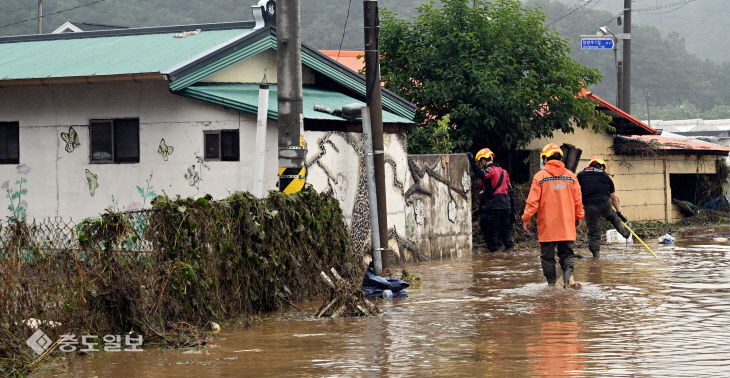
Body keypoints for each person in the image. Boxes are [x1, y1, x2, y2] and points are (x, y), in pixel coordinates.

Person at [521, 143, 584, 287]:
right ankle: (567, 280)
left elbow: (532, 202)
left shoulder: (540, 176)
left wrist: (526, 218)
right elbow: (578, 201)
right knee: (567, 255)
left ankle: (552, 286)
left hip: (547, 226)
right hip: (566, 225)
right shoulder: (571, 176)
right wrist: (578, 216)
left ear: (545, 158)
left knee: (547, 258)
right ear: (560, 158)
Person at [576, 156, 631, 258]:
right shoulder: (605, 176)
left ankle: (596, 256)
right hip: (605, 203)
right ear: (601, 166)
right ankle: (625, 234)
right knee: (613, 217)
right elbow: (613, 197)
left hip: (589, 206)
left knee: (594, 232)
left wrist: (576, 213)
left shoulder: (581, 175)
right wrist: (619, 213)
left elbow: (575, 193)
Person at [466, 148, 515, 252]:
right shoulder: (504, 172)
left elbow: (480, 174)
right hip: (506, 206)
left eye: (479, 162)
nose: (479, 165)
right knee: (506, 231)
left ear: (483, 161)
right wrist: (512, 210)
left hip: (494, 207)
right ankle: (509, 254)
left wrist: (471, 159)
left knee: (491, 231)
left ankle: (493, 258)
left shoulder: (491, 170)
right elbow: (510, 191)